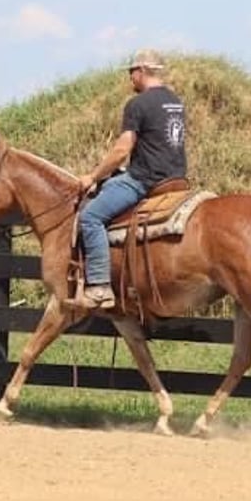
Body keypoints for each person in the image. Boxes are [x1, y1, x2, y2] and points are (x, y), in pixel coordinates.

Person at [70, 49, 187, 310]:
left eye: (131, 72)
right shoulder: (175, 101)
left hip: (145, 181)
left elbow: (123, 149)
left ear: (142, 71)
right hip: (177, 179)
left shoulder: (138, 104)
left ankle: (99, 287)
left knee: (91, 217)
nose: (130, 78)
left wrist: (92, 176)